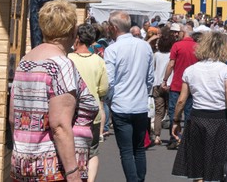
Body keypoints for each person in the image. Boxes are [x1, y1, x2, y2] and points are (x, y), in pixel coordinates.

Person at [9, 0, 96, 182]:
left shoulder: (25, 62)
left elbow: (12, 118)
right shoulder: (61, 65)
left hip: (23, 164)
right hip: (54, 169)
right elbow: (60, 126)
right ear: (73, 31)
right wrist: (73, 173)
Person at [170, 29, 227, 182]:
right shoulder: (226, 70)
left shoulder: (190, 70)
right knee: (219, 163)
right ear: (223, 48)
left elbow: (182, 100)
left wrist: (176, 120)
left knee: (198, 165)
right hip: (219, 120)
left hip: (197, 118)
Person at [105, 10, 155, 182]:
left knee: (126, 151)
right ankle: (139, 179)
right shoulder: (145, 46)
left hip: (121, 104)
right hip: (140, 104)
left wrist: (109, 99)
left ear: (113, 27)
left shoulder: (112, 49)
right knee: (139, 148)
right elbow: (150, 77)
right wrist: (144, 92)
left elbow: (109, 81)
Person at [69, 23, 109, 181]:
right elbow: (103, 89)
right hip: (93, 113)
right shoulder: (98, 61)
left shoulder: (68, 58)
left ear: (77, 38)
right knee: (92, 151)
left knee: (69, 149)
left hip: (71, 112)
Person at [162, 20, 199, 149]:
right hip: (192, 85)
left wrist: (165, 79)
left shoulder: (177, 46)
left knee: (174, 112)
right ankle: (188, 140)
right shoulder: (197, 46)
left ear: (183, 33)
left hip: (177, 84)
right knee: (189, 112)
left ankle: (174, 138)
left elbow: (171, 64)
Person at [151, 33, 173, 146]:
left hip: (157, 84)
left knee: (158, 112)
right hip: (170, 84)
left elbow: (153, 68)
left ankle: (157, 136)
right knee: (171, 111)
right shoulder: (172, 55)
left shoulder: (156, 55)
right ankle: (172, 136)